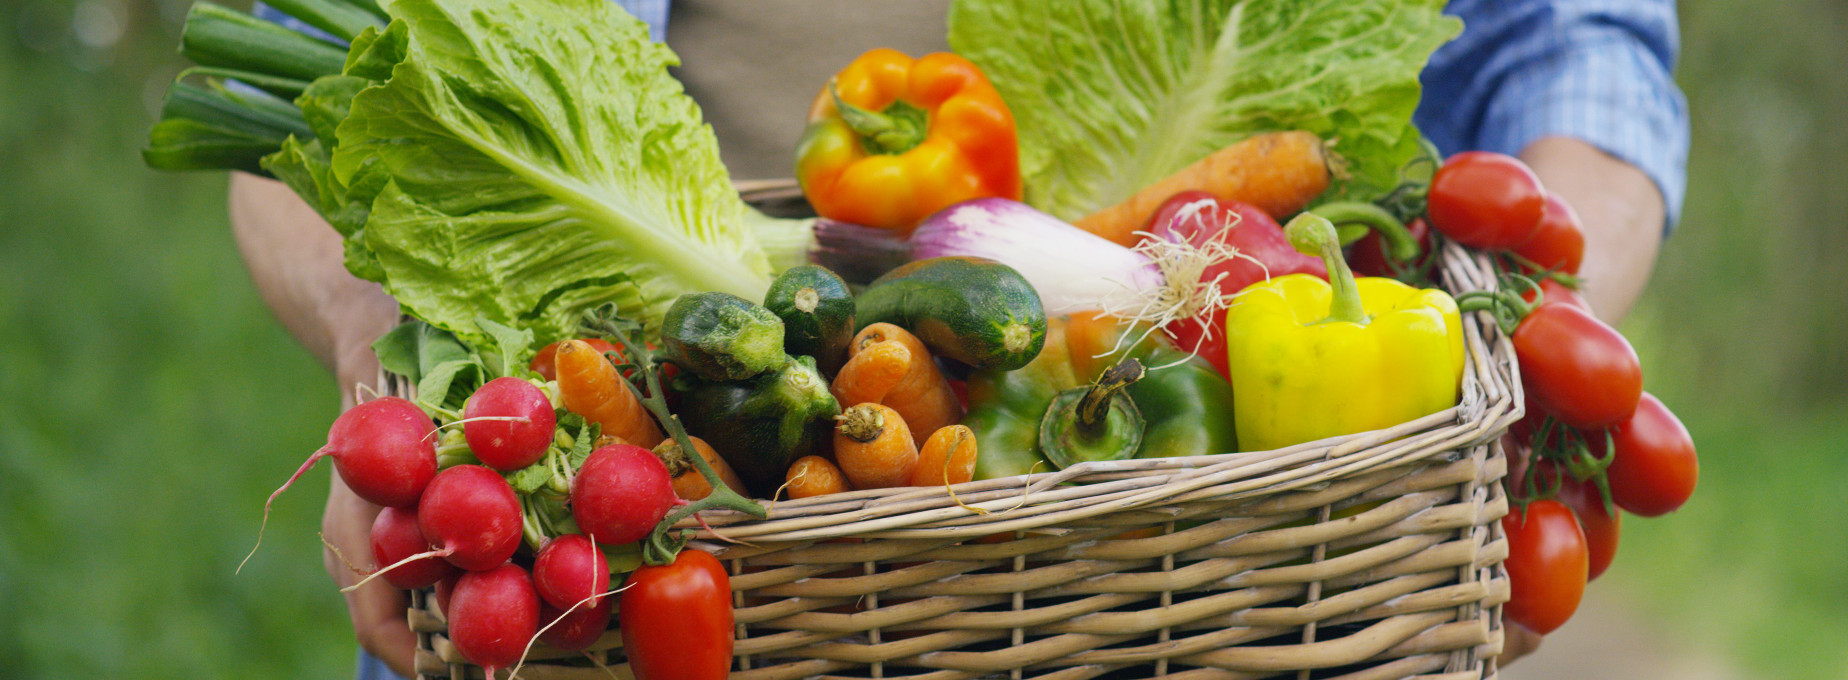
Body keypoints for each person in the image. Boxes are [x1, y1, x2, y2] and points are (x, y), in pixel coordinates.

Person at [233, 1, 1686, 677]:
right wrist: (392, 371)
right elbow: (321, 85)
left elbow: (1574, 41)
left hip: (1238, 580)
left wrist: (1535, 331)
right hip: (610, 529)